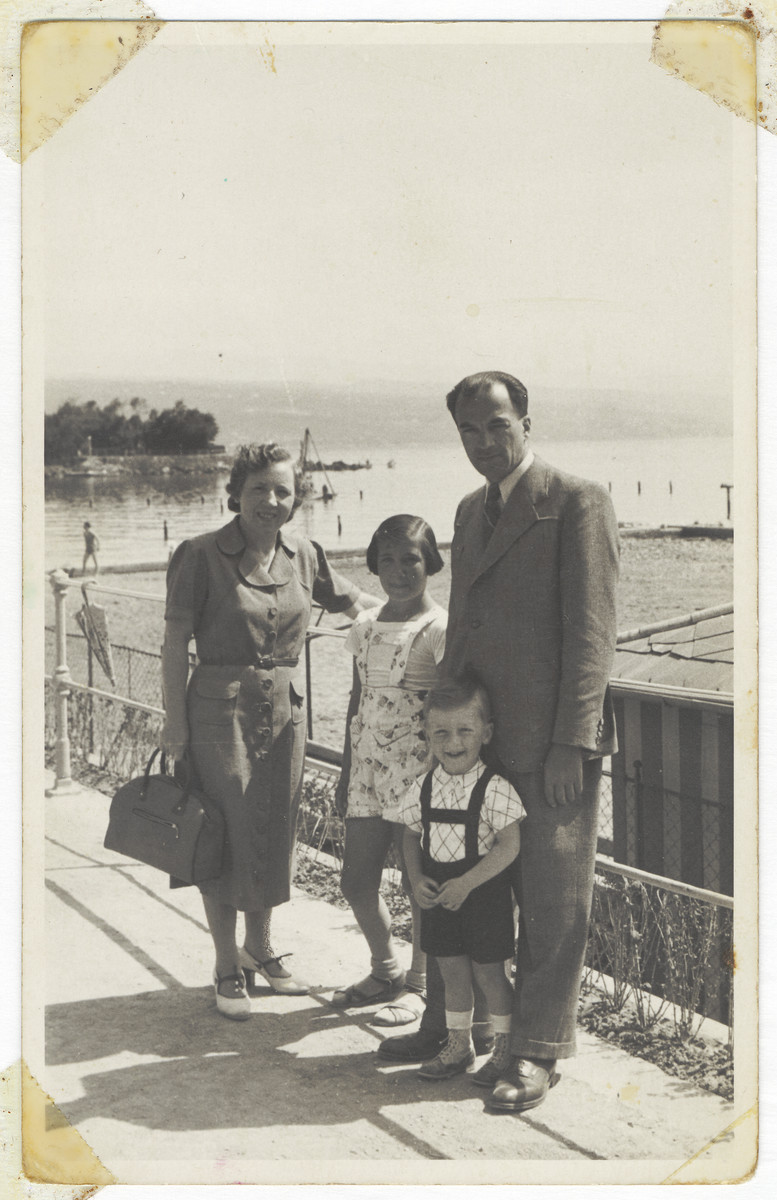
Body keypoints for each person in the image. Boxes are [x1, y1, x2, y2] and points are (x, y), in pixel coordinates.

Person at [379, 370, 619, 1115]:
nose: (484, 442)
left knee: (552, 905)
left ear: (525, 421)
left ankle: (537, 1051)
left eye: (497, 425)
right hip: (475, 749)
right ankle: (455, 1026)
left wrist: (570, 746)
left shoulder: (576, 501)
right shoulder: (468, 510)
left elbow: (591, 635)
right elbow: (462, 639)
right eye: (469, 431)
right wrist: (441, 736)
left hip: (549, 748)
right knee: (462, 893)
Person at [160, 443, 375, 1020]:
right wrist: (174, 725)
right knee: (220, 833)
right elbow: (175, 644)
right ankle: (226, 963)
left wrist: (428, 623)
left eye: (283, 490)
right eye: (259, 489)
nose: (272, 501)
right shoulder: (199, 554)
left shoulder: (305, 554)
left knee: (273, 831)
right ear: (237, 493)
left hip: (284, 714)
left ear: (296, 497)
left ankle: (261, 947)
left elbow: (360, 605)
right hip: (215, 715)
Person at [332, 515, 447, 1026]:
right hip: (367, 773)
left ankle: (420, 985)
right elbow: (358, 702)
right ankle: (385, 969)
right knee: (355, 881)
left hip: (419, 773)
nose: (398, 571)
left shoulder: (440, 628)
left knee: (417, 884)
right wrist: (344, 769)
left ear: (431, 563)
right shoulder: (364, 626)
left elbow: (452, 710)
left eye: (410, 559)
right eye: (387, 561)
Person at [398, 674, 525, 1084]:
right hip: (438, 895)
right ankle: (458, 1045)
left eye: (465, 730)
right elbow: (411, 834)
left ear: (485, 733)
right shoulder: (424, 787)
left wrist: (468, 883)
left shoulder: (495, 788)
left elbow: (508, 846)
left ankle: (506, 1048)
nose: (453, 742)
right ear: (427, 735)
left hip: (482, 893)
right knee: (451, 972)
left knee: (490, 973)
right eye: (441, 733)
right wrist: (417, 879)